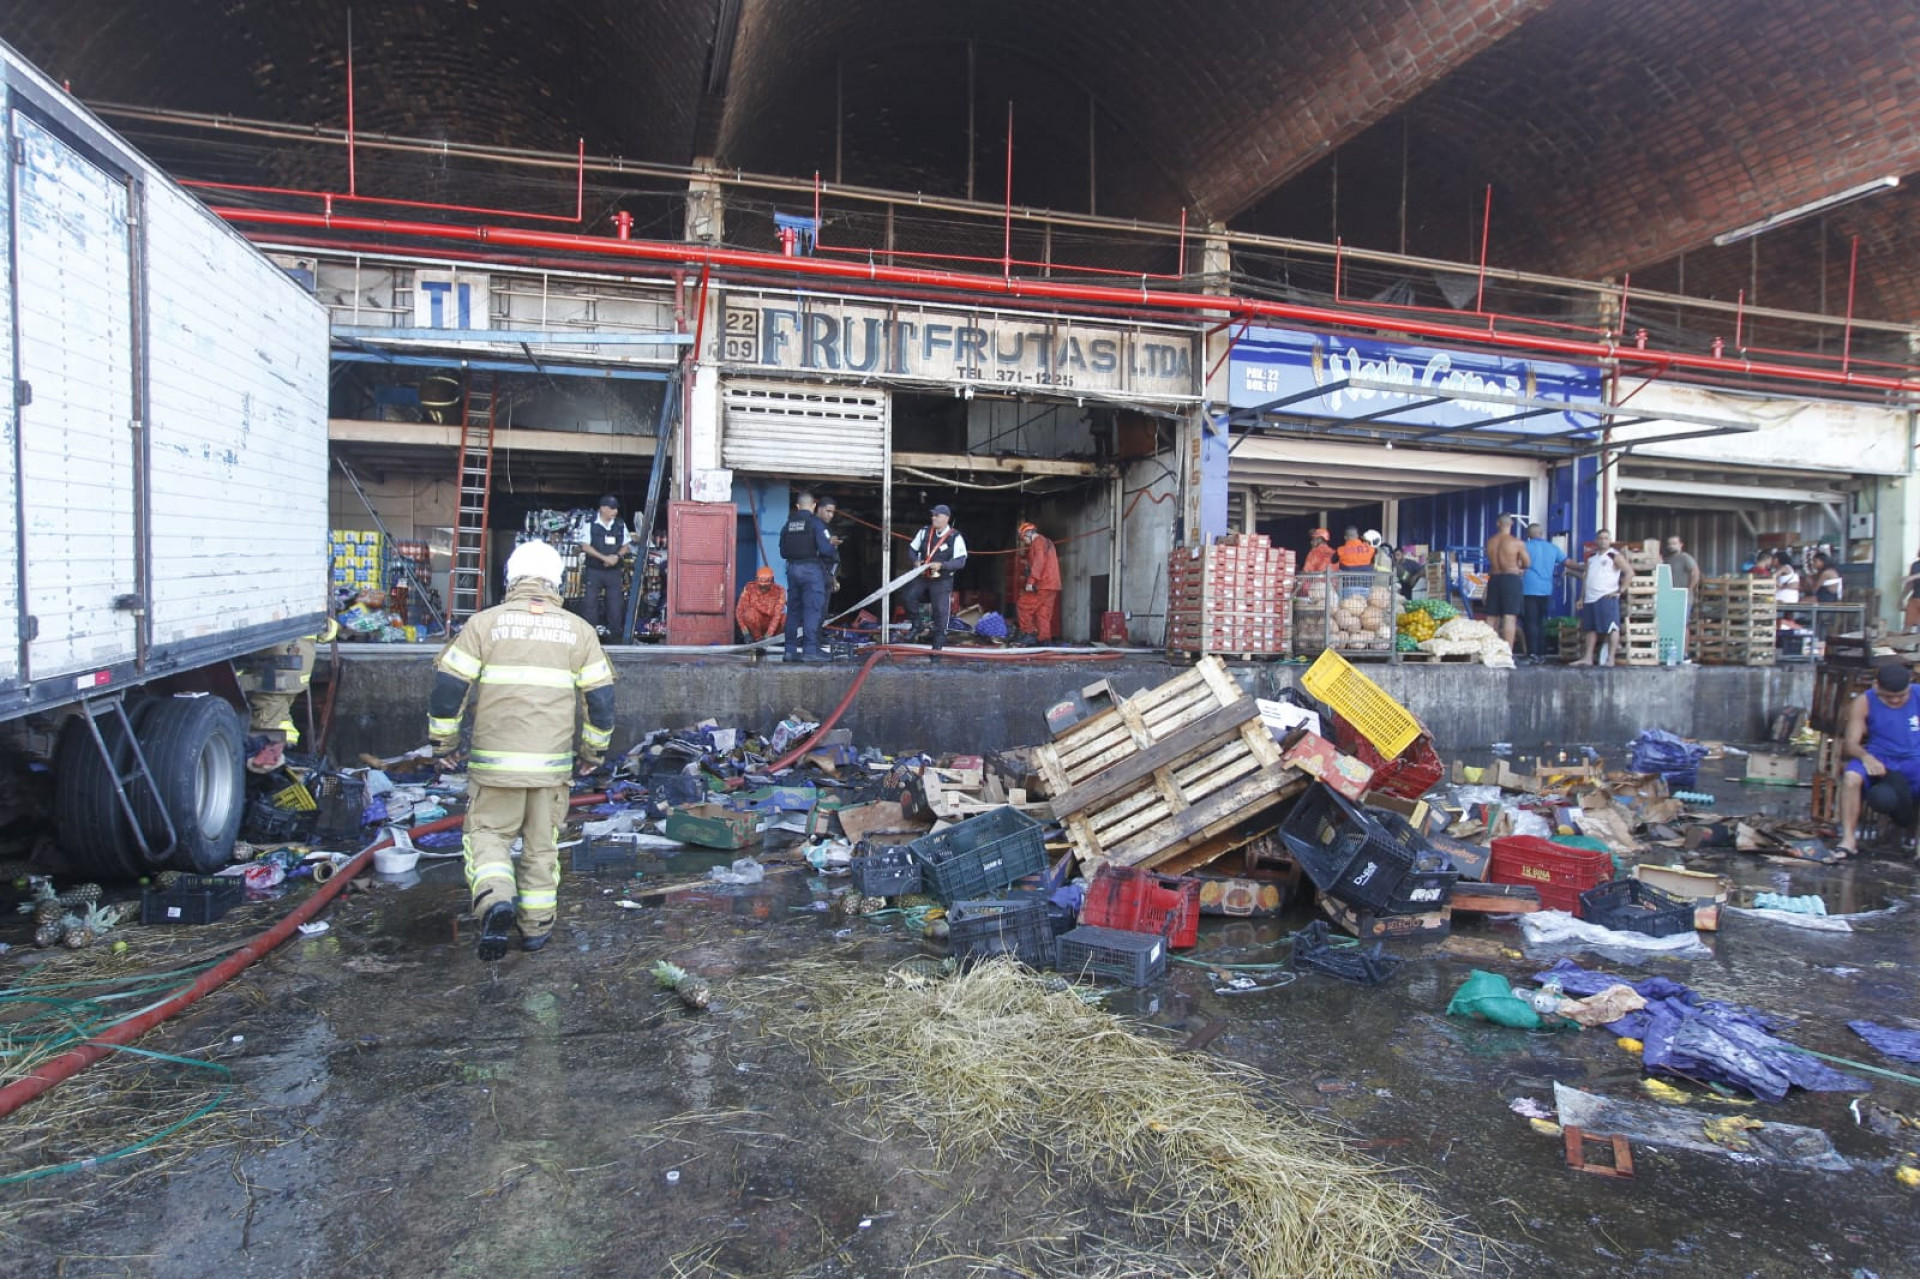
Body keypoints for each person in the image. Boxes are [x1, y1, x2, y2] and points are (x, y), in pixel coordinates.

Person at [428, 540, 615, 960]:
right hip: (550, 770)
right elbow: (601, 703)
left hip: (494, 767)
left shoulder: (483, 625)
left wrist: (444, 744)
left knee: (489, 837)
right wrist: (592, 754)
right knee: (541, 846)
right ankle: (536, 929)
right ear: (558, 581)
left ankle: (496, 899)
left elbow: (447, 690)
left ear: (511, 578)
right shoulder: (579, 632)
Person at [1837, 662, 1920, 857]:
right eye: (1890, 697)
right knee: (1851, 777)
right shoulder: (1864, 701)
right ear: (1876, 686)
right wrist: (1866, 757)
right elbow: (1851, 744)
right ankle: (1848, 840)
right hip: (1878, 757)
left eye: (1902, 696)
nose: (1896, 701)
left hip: (1915, 759)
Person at [240, 618, 341, 772]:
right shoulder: (309, 611)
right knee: (280, 716)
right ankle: (283, 752)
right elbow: (329, 633)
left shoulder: (271, 612)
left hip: (272, 680)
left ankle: (268, 763)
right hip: (294, 679)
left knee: (266, 723)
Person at [900, 504, 969, 651]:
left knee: (940, 612)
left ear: (946, 518)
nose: (933, 518)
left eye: (937, 515)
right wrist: (915, 561)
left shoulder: (954, 537)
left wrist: (942, 565)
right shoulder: (924, 532)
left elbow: (961, 561)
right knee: (908, 596)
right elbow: (912, 549)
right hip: (924, 576)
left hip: (942, 579)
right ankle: (917, 624)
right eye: (933, 515)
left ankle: (937, 648)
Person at [779, 491, 838, 662]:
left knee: (794, 610)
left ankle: (789, 650)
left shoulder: (788, 524)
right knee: (812, 609)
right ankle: (810, 650)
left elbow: (783, 551)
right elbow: (827, 550)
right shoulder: (815, 524)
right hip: (811, 570)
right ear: (813, 506)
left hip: (792, 569)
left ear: (797, 507)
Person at [1567, 529, 1631, 667]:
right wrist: (1581, 598)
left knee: (1612, 627)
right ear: (1596, 540)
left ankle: (1610, 659)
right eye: (1600, 538)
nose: (1603, 541)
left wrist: (1620, 591)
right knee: (1590, 629)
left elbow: (1629, 572)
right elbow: (1586, 578)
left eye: (1606, 538)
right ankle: (1588, 658)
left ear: (1610, 540)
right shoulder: (1592, 557)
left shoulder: (1615, 556)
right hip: (1590, 598)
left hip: (1606, 596)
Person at [579, 495, 631, 637]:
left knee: (615, 604)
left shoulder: (620, 524)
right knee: (590, 603)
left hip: (613, 571)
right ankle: (590, 635)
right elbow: (585, 546)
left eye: (616, 509)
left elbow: (626, 545)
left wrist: (617, 557)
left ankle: (615, 635)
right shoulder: (590, 523)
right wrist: (604, 558)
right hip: (594, 570)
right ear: (602, 508)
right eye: (611, 508)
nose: (614, 511)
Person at [1520, 522, 1566, 663]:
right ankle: (1542, 654)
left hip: (1528, 589)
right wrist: (1583, 569)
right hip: (1546, 590)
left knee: (1530, 622)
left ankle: (1532, 654)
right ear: (1541, 534)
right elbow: (1567, 562)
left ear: (1528, 535)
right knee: (1541, 622)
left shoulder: (1524, 547)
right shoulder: (1553, 548)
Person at [1484, 515, 1530, 651]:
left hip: (1494, 578)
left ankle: (1488, 649)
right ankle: (1507, 652)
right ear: (1512, 524)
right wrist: (1519, 567)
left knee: (1491, 617)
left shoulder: (1490, 542)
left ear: (1498, 524)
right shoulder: (1517, 543)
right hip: (1510, 579)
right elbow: (1527, 563)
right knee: (1509, 617)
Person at [1014, 520, 1061, 645]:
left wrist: (1031, 580)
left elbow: (1039, 561)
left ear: (1028, 534)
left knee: (1023, 605)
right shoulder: (1048, 542)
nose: (1024, 541)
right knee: (1043, 614)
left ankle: (1028, 633)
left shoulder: (1038, 542)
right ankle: (1044, 640)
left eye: (1023, 538)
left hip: (1042, 583)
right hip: (1053, 585)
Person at [735, 566, 787, 642]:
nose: (763, 588)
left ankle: (778, 642)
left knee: (786, 619)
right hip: (756, 626)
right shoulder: (749, 588)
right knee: (750, 613)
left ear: (772, 581)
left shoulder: (780, 591)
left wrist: (768, 636)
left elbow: (777, 616)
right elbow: (739, 611)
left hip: (773, 627)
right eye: (760, 586)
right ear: (756, 580)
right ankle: (757, 640)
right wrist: (745, 633)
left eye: (766, 586)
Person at [1902, 550, 1920, 632]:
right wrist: (1902, 598)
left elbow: (1912, 578)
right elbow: (1910, 584)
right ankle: (1902, 644)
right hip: (1915, 598)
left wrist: (1912, 577)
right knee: (1907, 625)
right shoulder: (1915, 565)